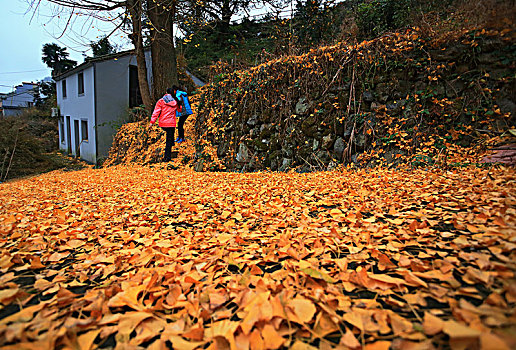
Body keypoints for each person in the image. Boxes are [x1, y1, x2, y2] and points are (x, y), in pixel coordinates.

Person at [150, 88, 181, 162]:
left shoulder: (161, 101)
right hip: (171, 123)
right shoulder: (176, 100)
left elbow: (156, 112)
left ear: (166, 93)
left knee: (168, 138)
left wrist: (152, 122)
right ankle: (167, 157)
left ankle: (167, 154)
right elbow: (179, 110)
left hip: (163, 123)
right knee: (169, 140)